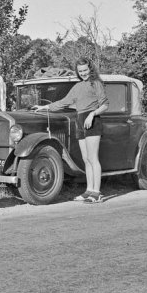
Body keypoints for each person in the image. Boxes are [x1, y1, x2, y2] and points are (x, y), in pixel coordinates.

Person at [34, 57, 109, 203]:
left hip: (92, 120)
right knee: (86, 159)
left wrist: (93, 114)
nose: (83, 73)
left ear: (90, 69)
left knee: (93, 158)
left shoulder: (97, 83)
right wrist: (44, 107)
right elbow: (64, 102)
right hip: (80, 121)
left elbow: (105, 105)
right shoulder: (77, 86)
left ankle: (97, 192)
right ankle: (89, 190)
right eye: (80, 71)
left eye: (85, 70)